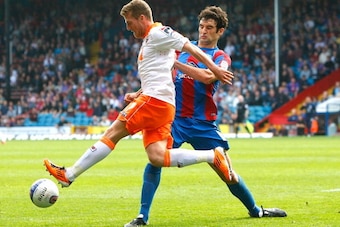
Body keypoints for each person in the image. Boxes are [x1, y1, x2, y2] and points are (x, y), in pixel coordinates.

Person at [44, 0, 234, 199]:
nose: (128, 27)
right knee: (157, 156)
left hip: (154, 101)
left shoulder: (160, 33)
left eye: (129, 22)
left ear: (142, 18)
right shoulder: (152, 39)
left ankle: (69, 174)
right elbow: (162, 71)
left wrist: (215, 69)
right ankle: (213, 155)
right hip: (161, 103)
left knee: (113, 132)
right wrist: (137, 92)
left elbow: (192, 49)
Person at [125, 5, 286, 227]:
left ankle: (256, 210)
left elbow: (208, 77)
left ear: (220, 31)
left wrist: (175, 62)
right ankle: (142, 216)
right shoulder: (182, 51)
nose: (203, 31)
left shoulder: (221, 57)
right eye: (201, 26)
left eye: (209, 27)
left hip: (203, 123)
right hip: (176, 120)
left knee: (227, 173)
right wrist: (138, 93)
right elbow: (162, 80)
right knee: (155, 160)